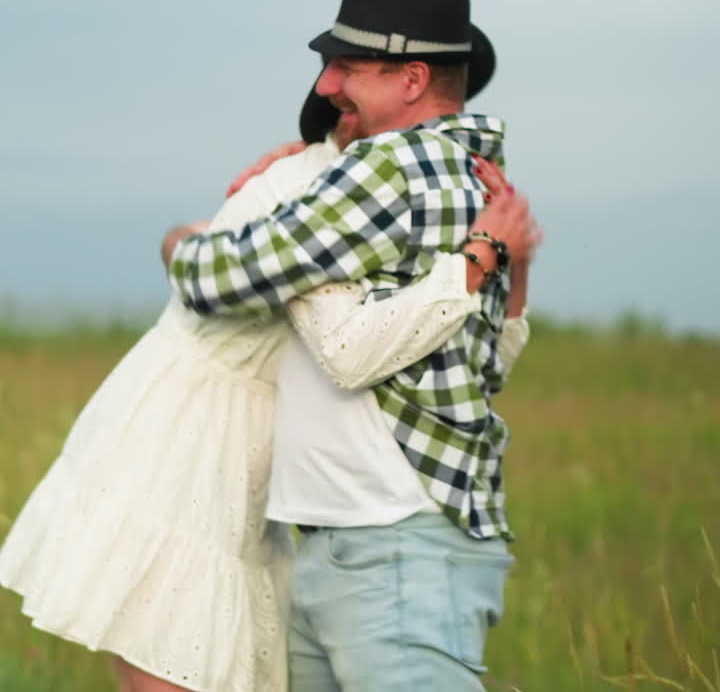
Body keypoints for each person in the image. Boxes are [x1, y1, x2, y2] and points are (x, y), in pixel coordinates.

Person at [0, 45, 528, 692]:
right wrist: (482, 254)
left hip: (261, 477)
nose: (331, 87)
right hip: (188, 446)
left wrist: (506, 259)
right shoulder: (317, 194)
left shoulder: (392, 196)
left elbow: (475, 360)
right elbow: (338, 340)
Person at [167, 0, 542, 691]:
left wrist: (184, 239)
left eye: (347, 65)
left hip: (388, 544)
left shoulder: (390, 168)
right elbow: (481, 371)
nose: (326, 85)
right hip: (380, 538)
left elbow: (217, 279)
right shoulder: (473, 173)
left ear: (411, 79)